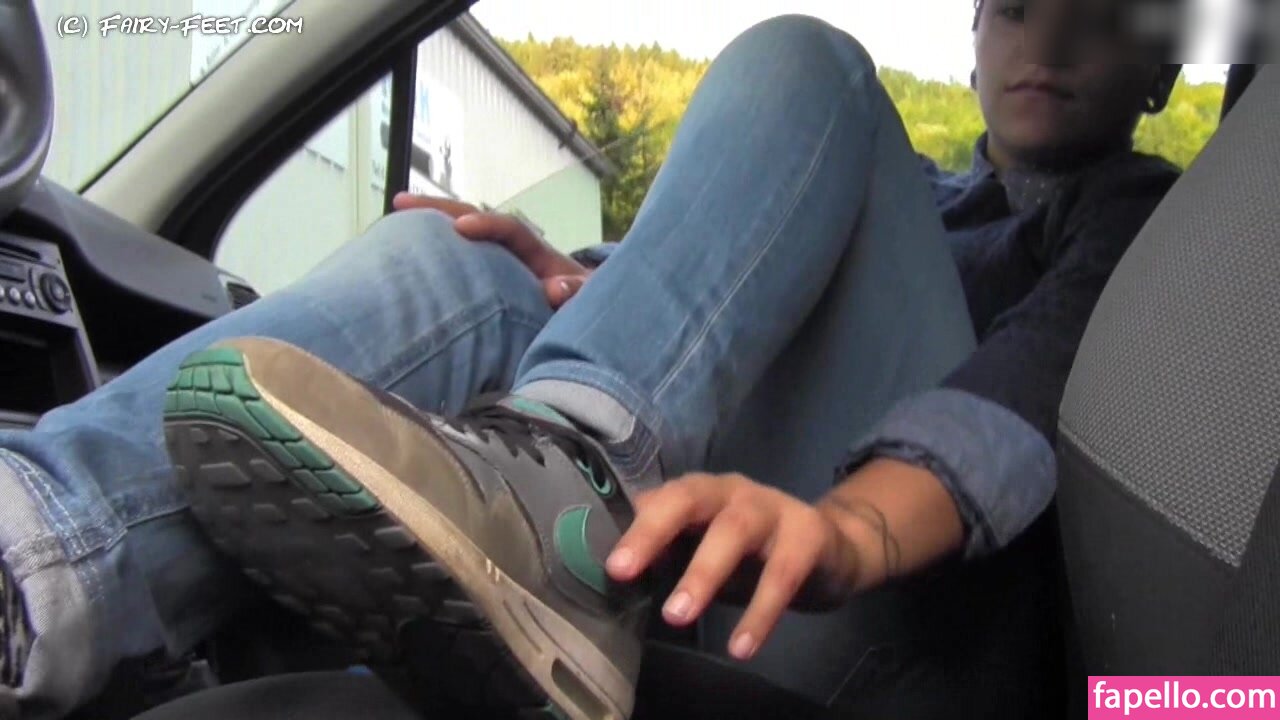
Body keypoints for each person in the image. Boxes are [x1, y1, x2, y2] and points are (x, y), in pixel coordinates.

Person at [0, 2, 1185, 719]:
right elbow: (693, 286)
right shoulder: (902, 195)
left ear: (1161, 69)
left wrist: (851, 530)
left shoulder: (1142, 215)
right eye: (1014, 6)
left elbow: (1023, 385)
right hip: (711, 570)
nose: (1048, 35)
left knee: (807, 62)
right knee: (465, 264)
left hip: (901, 608)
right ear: (971, 40)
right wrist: (576, 278)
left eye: (1098, 12)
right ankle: (39, 568)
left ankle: (571, 474)